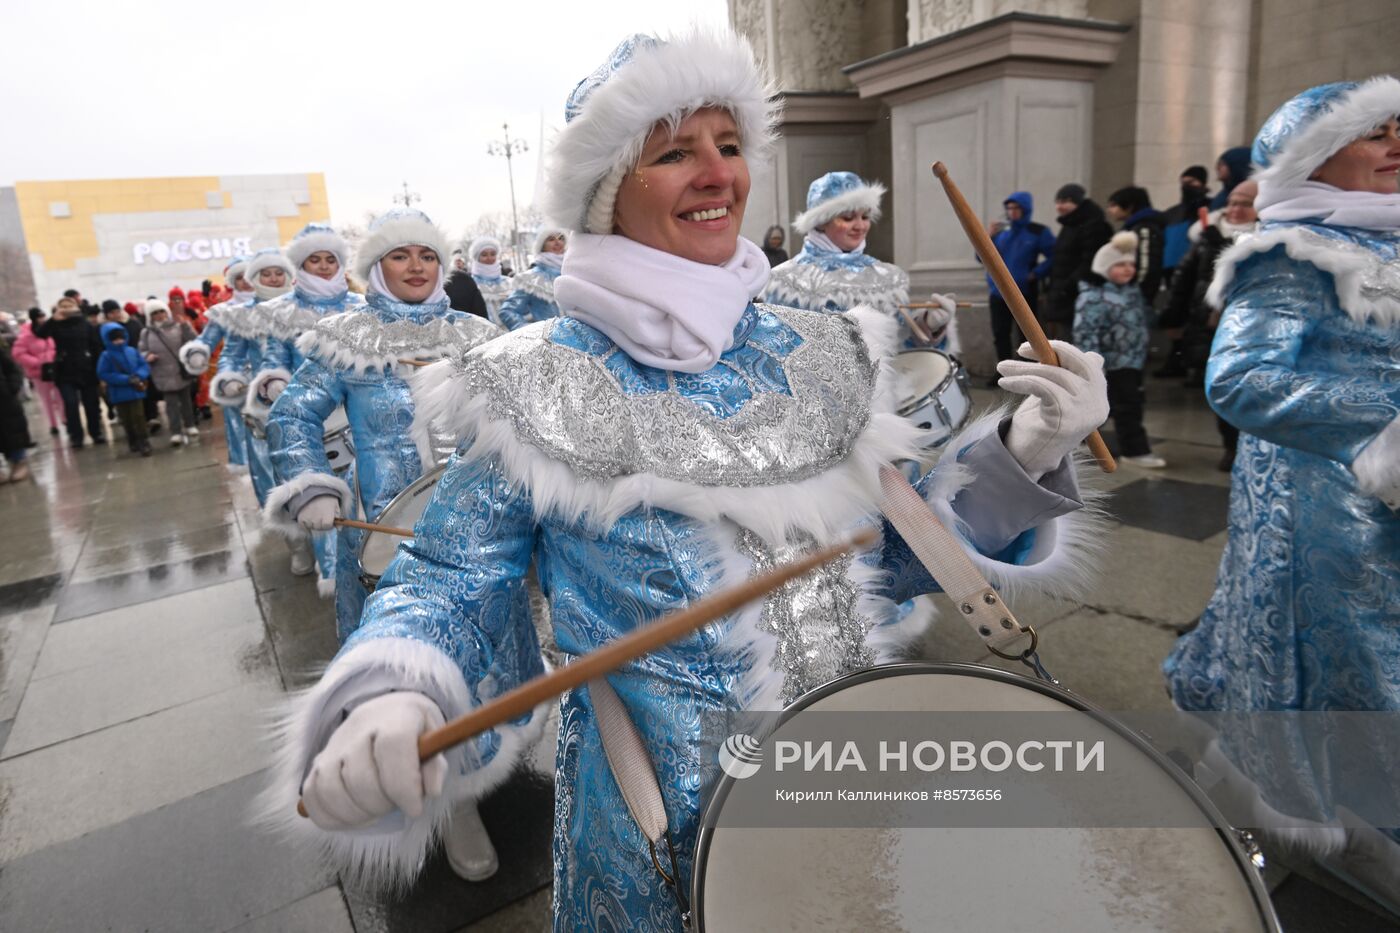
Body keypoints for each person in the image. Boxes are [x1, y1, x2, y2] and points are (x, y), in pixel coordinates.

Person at [261, 30, 1110, 929]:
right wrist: (390, 690)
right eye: (674, 152)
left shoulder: (823, 349)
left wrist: (1020, 451)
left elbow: (882, 562)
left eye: (731, 146)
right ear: (605, 194)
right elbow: (451, 576)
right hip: (668, 825)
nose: (718, 174)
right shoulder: (529, 380)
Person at [1163, 77, 1400, 886]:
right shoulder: (1293, 252)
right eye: (1375, 132)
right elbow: (1242, 379)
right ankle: (1298, 817)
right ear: (1314, 156)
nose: (1396, 143)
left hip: (1385, 505)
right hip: (1325, 513)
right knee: (1348, 666)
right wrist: (1379, 427)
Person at [263, 208, 503, 642]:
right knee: (401, 644)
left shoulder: (479, 335)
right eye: (400, 256)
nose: (416, 267)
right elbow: (292, 414)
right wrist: (310, 485)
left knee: (489, 632)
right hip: (383, 520)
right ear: (376, 267)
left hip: (477, 516)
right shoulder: (345, 337)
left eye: (427, 256)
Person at [249, 223, 366, 594]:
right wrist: (273, 382)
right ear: (301, 265)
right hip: (308, 413)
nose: (323, 265)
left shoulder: (360, 306)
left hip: (356, 415)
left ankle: (366, 562)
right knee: (319, 492)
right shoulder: (280, 312)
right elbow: (271, 357)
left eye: (329, 258)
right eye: (314, 259)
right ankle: (324, 564)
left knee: (361, 494)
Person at [764, 171, 957, 350]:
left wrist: (927, 325)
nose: (860, 226)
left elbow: (899, 351)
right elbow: (777, 352)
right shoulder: (784, 281)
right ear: (821, 221)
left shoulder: (888, 277)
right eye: (848, 218)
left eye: (865, 216)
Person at [1163, 179, 1259, 469]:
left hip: (1252, 329)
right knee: (1222, 389)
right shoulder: (1208, 236)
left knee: (1252, 391)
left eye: (1245, 204)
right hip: (1210, 324)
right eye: (1232, 202)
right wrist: (1173, 313)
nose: (1236, 209)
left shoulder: (1268, 239)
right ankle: (1231, 446)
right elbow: (1185, 277)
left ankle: (1251, 447)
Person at [1074, 232, 1163, 468]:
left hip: (1131, 361)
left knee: (1118, 405)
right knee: (1126, 407)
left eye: (1131, 264)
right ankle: (1135, 451)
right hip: (1109, 364)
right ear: (1104, 268)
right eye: (1120, 265)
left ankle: (1082, 440)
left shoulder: (1132, 293)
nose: (1128, 269)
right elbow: (1086, 332)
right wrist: (1092, 364)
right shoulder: (1093, 296)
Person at [183, 256, 254, 473]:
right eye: (239, 277)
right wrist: (197, 352)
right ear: (233, 281)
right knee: (237, 419)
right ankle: (243, 464)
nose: (245, 281)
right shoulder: (224, 310)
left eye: (249, 275)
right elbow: (207, 339)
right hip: (233, 370)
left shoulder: (273, 305)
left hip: (268, 368)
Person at [984, 191, 1055, 372]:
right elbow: (981, 257)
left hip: (1024, 291)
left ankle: (1028, 371)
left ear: (1025, 209)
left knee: (1027, 335)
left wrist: (1035, 274)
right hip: (998, 293)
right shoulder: (1001, 234)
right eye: (1009, 208)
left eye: (1016, 208)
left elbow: (1054, 256)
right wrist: (988, 236)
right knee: (1000, 333)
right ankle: (1004, 371)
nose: (1012, 212)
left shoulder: (1038, 232)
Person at [1045, 183, 1113, 342]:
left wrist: (1068, 286)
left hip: (1079, 293)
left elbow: (1090, 260)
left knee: (1077, 341)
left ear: (1077, 202)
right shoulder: (1070, 224)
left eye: (1064, 201)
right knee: (1066, 338)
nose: (1059, 206)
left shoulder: (1093, 225)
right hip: (1067, 291)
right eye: (1058, 202)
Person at [36, 297, 106, 448]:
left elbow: (95, 346)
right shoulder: (55, 324)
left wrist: (98, 369)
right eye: (63, 307)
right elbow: (40, 334)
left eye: (70, 307)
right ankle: (76, 436)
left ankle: (96, 432)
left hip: (86, 368)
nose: (67, 310)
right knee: (71, 404)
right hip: (65, 370)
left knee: (91, 404)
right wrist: (53, 319)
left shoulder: (84, 323)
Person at [138, 299, 199, 446]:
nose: (159, 315)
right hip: (162, 372)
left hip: (180, 370)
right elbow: (141, 350)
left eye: (161, 311)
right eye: (155, 313)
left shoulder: (178, 326)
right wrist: (147, 356)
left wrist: (185, 325)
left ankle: (190, 425)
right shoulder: (146, 332)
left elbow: (194, 340)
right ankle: (176, 432)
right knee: (170, 404)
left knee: (186, 401)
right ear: (149, 316)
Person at [96, 321, 152, 456]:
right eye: (115, 339)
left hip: (135, 391)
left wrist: (139, 375)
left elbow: (143, 365)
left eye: (120, 338)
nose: (119, 341)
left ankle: (143, 441)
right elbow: (103, 373)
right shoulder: (106, 356)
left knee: (139, 417)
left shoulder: (132, 351)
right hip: (119, 393)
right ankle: (133, 440)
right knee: (127, 419)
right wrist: (126, 379)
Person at [1105, 186, 1166, 306]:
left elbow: (1146, 265)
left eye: (1113, 205)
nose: (1109, 210)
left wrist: (1134, 291)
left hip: (1138, 297)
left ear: (1129, 206)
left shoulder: (1144, 229)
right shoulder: (1134, 228)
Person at [497, 228, 568, 330]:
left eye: (561, 238)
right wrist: (531, 333)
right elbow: (507, 311)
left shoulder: (575, 273)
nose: (557, 242)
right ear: (542, 246)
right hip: (550, 342)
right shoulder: (531, 279)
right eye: (551, 239)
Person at [13, 308, 63, 437]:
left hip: (55, 368)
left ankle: (64, 419)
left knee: (60, 396)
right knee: (46, 400)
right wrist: (37, 362)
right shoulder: (25, 336)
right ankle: (53, 425)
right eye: (39, 317)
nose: (42, 319)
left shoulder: (50, 331)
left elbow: (56, 347)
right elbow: (18, 354)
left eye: (43, 316)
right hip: (39, 372)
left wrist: (54, 358)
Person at [0, 344, 33, 482]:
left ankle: (19, 461)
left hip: (4, 400)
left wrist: (12, 387)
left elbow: (13, 369)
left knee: (12, 430)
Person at [466, 236, 510, 323]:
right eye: (484, 255)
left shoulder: (508, 282)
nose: (489, 258)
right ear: (477, 258)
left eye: (493, 254)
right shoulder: (471, 284)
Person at [1208, 146, 1253, 210]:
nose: (1217, 168)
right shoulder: (1224, 194)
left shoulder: (1249, 197)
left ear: (1236, 167)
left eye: (1222, 164)